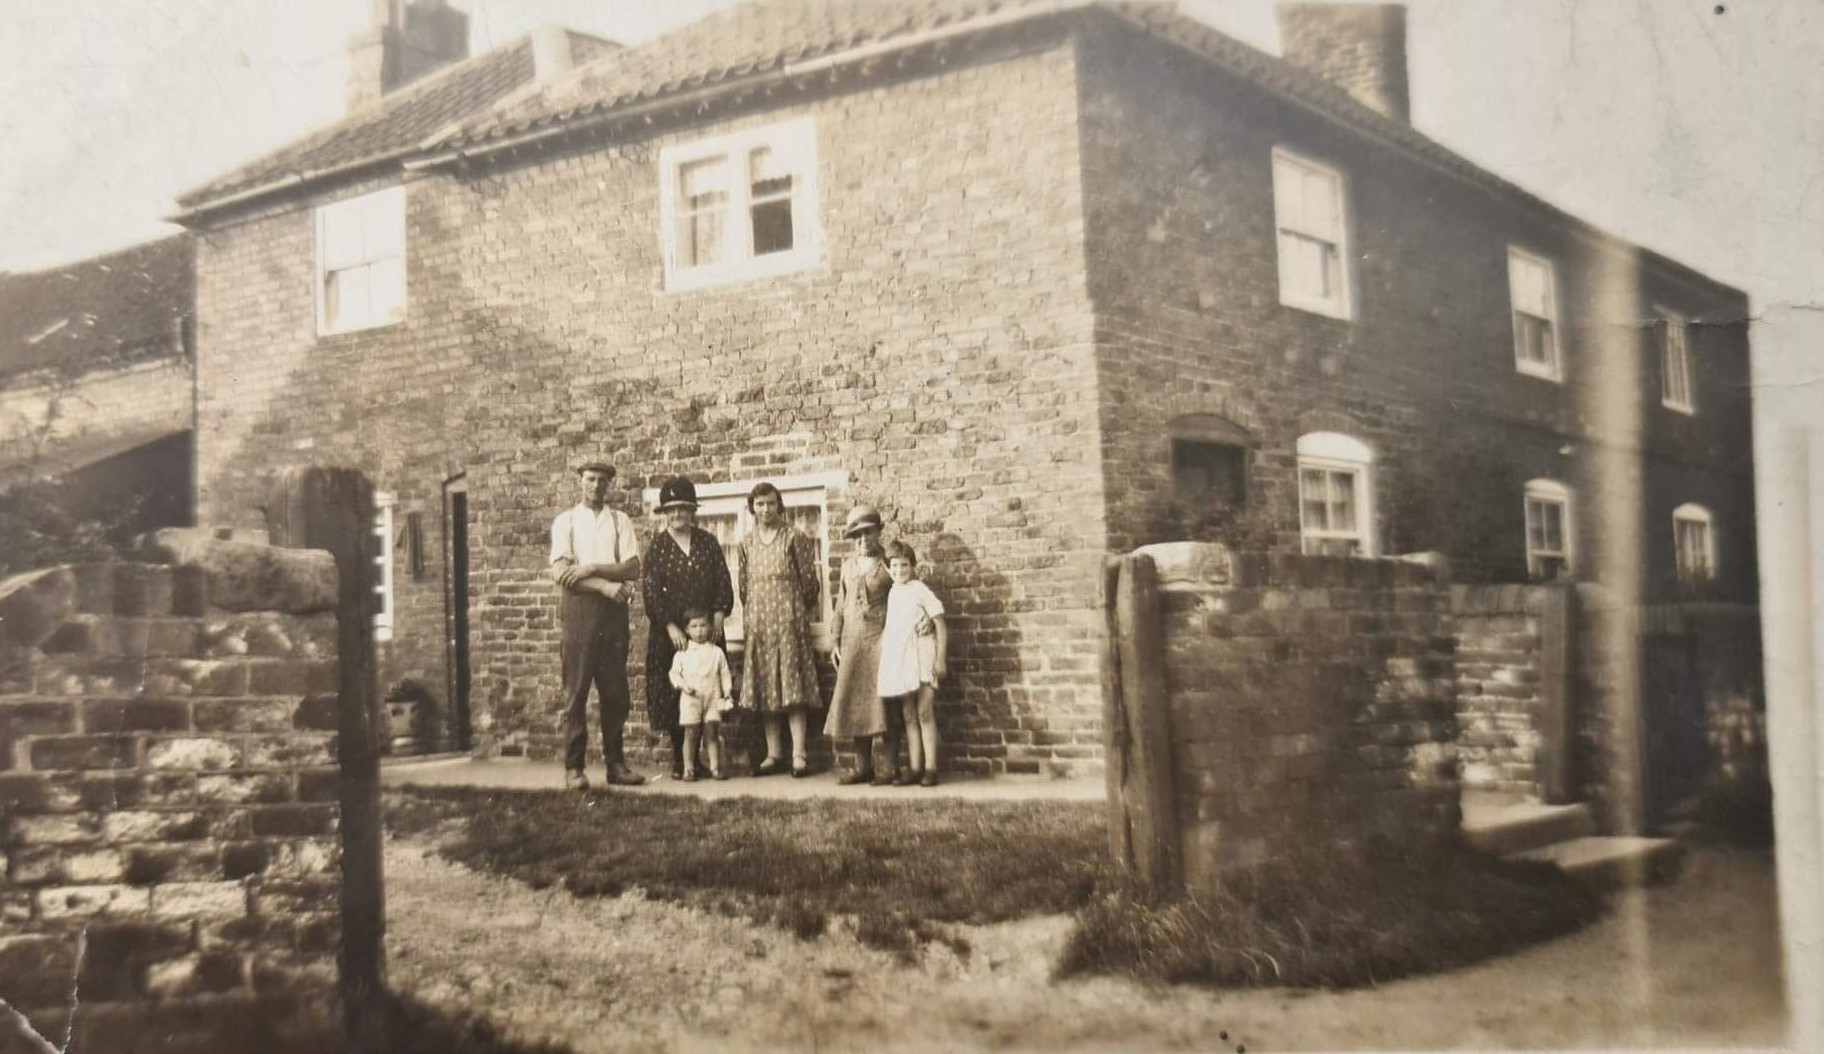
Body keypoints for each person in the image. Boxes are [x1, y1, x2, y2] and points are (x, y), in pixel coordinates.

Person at [549, 459, 644, 790]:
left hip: (613, 616)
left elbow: (632, 567)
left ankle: (615, 764)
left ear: (610, 485)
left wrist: (588, 568)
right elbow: (561, 573)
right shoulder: (566, 522)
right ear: (580, 481)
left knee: (616, 693)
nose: (596, 486)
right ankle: (574, 767)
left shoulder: (620, 521)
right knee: (575, 692)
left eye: (603, 481)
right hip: (578, 615)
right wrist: (603, 584)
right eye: (591, 479)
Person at [641, 475, 735, 779]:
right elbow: (652, 591)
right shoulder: (657, 547)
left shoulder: (707, 542)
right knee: (678, 695)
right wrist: (669, 625)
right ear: (665, 514)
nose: (677, 515)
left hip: (704, 632)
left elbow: (723, 579)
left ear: (692, 511)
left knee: (707, 690)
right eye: (671, 510)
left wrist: (720, 611)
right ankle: (681, 760)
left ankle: (702, 759)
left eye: (682, 509)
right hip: (672, 635)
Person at [736, 481, 823, 777]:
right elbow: (744, 588)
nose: (765, 510)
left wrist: (792, 610)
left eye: (771, 503)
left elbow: (810, 585)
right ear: (752, 507)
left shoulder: (794, 537)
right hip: (759, 624)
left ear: (779, 504)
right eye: (759, 504)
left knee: (792, 686)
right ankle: (774, 754)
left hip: (788, 622)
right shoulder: (746, 543)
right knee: (766, 687)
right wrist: (757, 614)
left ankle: (799, 755)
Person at [825, 505, 901, 785]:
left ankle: (891, 766)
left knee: (887, 704)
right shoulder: (848, 567)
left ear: (878, 533)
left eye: (868, 534)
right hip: (854, 645)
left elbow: (904, 598)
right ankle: (862, 766)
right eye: (856, 536)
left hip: (883, 642)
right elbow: (840, 609)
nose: (863, 541)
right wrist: (835, 641)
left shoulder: (890, 563)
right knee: (858, 702)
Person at [877, 540, 948, 787]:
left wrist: (940, 659)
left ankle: (931, 768)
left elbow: (939, 622)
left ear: (913, 566)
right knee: (908, 715)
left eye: (904, 565)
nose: (899, 570)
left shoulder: (920, 589)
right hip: (903, 662)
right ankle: (915, 768)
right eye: (894, 566)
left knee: (924, 712)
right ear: (888, 568)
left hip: (923, 657)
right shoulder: (893, 593)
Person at [668, 609, 734, 781]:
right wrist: (684, 686)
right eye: (694, 626)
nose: (699, 631)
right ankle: (688, 768)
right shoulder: (682, 653)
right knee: (691, 734)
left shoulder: (716, 652)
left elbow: (725, 673)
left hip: (713, 697)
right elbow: (674, 674)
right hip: (691, 699)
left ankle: (715, 767)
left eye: (703, 625)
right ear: (687, 630)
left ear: (710, 627)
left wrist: (727, 692)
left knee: (712, 732)